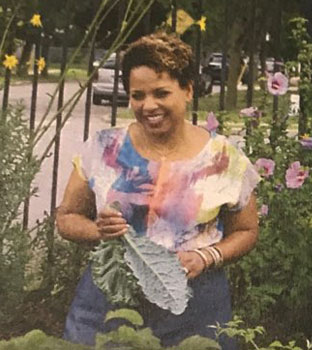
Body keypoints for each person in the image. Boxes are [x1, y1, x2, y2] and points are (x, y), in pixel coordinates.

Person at [56, 32, 260, 349]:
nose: (148, 105)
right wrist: (99, 230)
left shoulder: (223, 159)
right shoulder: (104, 148)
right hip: (109, 302)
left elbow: (247, 230)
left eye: (161, 93)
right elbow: (67, 217)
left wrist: (207, 256)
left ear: (188, 89)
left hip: (195, 307)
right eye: (138, 95)